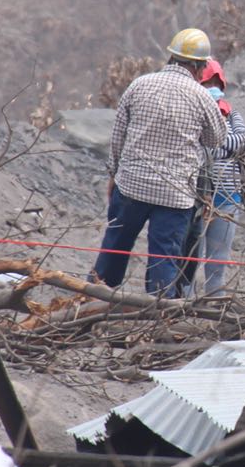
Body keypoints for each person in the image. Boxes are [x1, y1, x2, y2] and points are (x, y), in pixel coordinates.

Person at [91, 28, 228, 298]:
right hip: (175, 195)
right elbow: (216, 139)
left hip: (131, 185)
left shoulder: (139, 85)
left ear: (172, 57)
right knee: (164, 260)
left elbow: (118, 137)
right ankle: (158, 320)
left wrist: (113, 175)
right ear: (199, 67)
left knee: (114, 248)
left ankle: (91, 302)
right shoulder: (201, 97)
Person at [180, 58, 245, 297]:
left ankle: (214, 308)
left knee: (218, 260)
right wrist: (225, 146)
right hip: (196, 197)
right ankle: (182, 311)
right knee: (189, 257)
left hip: (228, 196)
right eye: (206, 82)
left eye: (215, 82)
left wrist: (215, 144)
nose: (212, 88)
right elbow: (198, 148)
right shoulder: (189, 113)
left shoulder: (231, 114)